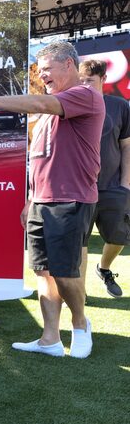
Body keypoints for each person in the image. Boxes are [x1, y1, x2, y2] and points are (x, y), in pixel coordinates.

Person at [0, 42, 105, 358]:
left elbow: (39, 102)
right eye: (39, 71)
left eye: (47, 69)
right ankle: (49, 339)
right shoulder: (49, 113)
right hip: (42, 202)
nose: (42, 76)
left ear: (69, 65)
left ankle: (80, 324)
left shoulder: (84, 95)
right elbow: (40, 160)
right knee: (43, 272)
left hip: (70, 199)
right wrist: (30, 200)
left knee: (65, 274)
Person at [78, 59, 130, 298]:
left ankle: (105, 268)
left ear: (103, 80)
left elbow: (127, 146)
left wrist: (126, 183)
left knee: (119, 237)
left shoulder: (120, 106)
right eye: (81, 80)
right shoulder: (72, 105)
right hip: (79, 187)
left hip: (113, 186)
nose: (85, 85)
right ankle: (80, 292)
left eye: (90, 80)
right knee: (81, 242)